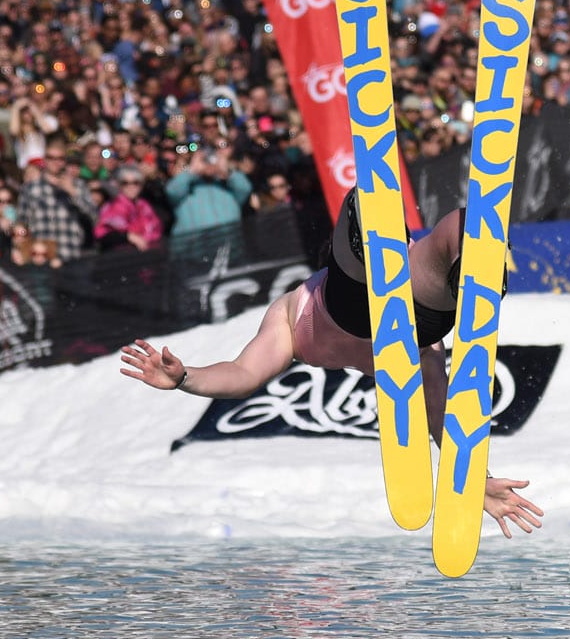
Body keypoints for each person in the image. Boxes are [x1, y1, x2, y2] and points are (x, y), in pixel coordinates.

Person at [121, 190, 544, 541]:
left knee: (405, 222)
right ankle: (447, 246)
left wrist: (186, 379)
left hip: (374, 302)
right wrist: (475, 478)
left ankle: (467, 261)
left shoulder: (291, 311)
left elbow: (243, 374)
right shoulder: (413, 353)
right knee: (447, 226)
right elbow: (437, 411)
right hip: (403, 311)